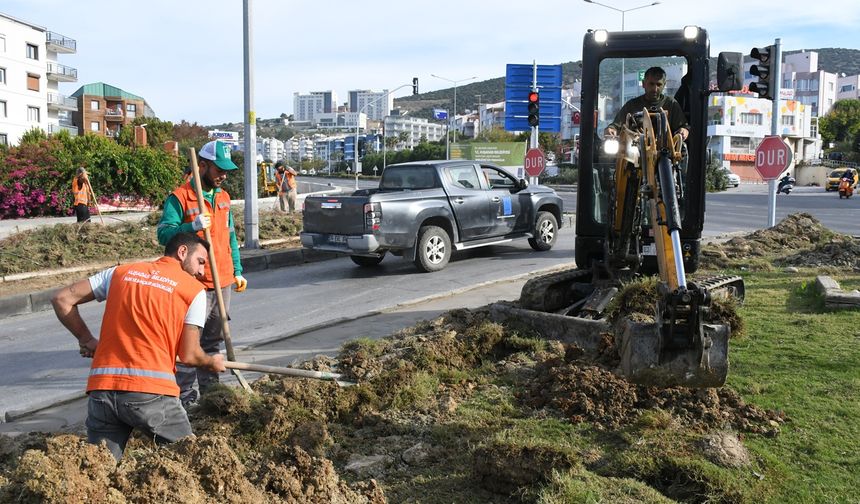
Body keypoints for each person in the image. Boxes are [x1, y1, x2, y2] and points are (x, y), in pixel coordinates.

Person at [51, 232, 226, 461]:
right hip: (152, 394)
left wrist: (87, 340)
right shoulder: (193, 291)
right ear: (182, 252)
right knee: (191, 460)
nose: (202, 272)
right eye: (200, 262)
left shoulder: (120, 272)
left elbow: (62, 299)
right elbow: (189, 355)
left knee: (99, 470)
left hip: (102, 391)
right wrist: (211, 361)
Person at [156, 140, 247, 407]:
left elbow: (231, 238)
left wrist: (238, 270)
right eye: (219, 170)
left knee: (213, 341)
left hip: (223, 279)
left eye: (226, 171)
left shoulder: (223, 197)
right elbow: (163, 234)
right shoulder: (181, 197)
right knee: (188, 342)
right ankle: (183, 398)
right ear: (203, 166)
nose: (223, 175)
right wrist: (191, 225)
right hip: (193, 283)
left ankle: (211, 394)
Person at [604, 66, 690, 142]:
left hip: (665, 150)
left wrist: (684, 131)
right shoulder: (632, 105)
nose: (655, 89)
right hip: (635, 149)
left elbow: (683, 126)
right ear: (643, 84)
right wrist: (611, 130)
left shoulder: (671, 104)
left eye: (659, 84)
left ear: (664, 85)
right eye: (651, 84)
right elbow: (616, 125)